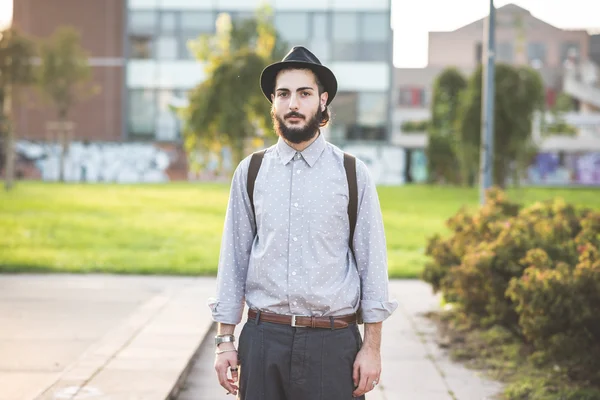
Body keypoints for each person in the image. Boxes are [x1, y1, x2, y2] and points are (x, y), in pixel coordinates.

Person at [208, 46, 398, 400]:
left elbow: (373, 267)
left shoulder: (352, 174)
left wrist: (372, 349)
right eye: (283, 94)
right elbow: (233, 260)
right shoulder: (251, 172)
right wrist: (224, 341)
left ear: (323, 101)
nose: (293, 103)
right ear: (274, 103)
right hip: (263, 342)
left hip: (333, 344)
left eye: (304, 93)